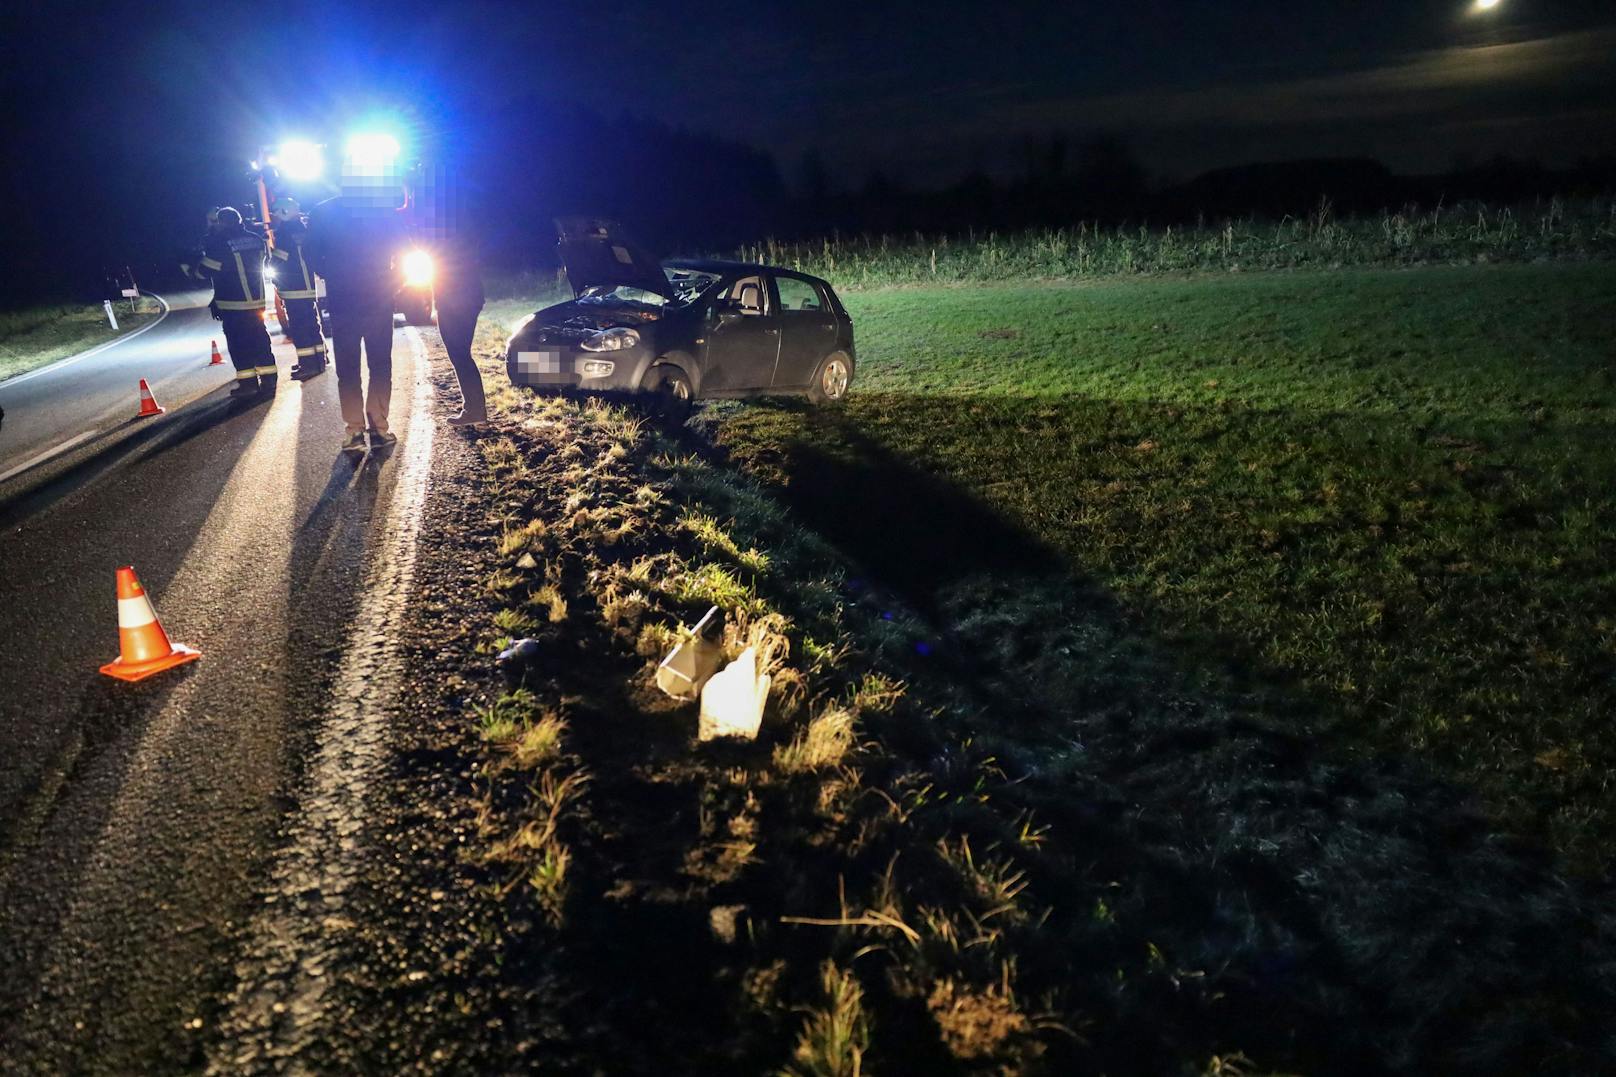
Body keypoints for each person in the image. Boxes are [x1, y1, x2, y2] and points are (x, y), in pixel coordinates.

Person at [305, 165, 407, 454]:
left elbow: (310, 253)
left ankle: (354, 431)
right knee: (380, 364)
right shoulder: (383, 211)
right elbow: (406, 250)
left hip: (344, 300)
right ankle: (379, 428)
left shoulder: (323, 212)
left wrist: (331, 274)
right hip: (378, 299)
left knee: (348, 368)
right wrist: (393, 284)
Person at [417, 165, 486, 425]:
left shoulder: (441, 228)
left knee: (458, 352)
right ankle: (474, 408)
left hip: (457, 298)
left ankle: (475, 411)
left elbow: (430, 251)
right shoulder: (461, 222)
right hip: (467, 295)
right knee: (460, 352)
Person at [197, 206, 277, 398]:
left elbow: (206, 272)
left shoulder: (220, 244)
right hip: (256, 302)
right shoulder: (256, 240)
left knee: (239, 345)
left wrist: (193, 267)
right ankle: (269, 381)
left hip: (233, 305)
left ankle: (249, 385)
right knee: (260, 341)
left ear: (222, 223)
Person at [266, 197, 328, 380]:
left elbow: (279, 259)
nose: (274, 218)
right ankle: (320, 360)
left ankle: (308, 365)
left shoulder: (284, 234)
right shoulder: (304, 229)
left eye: (276, 214)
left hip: (293, 288)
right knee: (312, 324)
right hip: (308, 285)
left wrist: (270, 264)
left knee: (300, 328)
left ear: (284, 213)